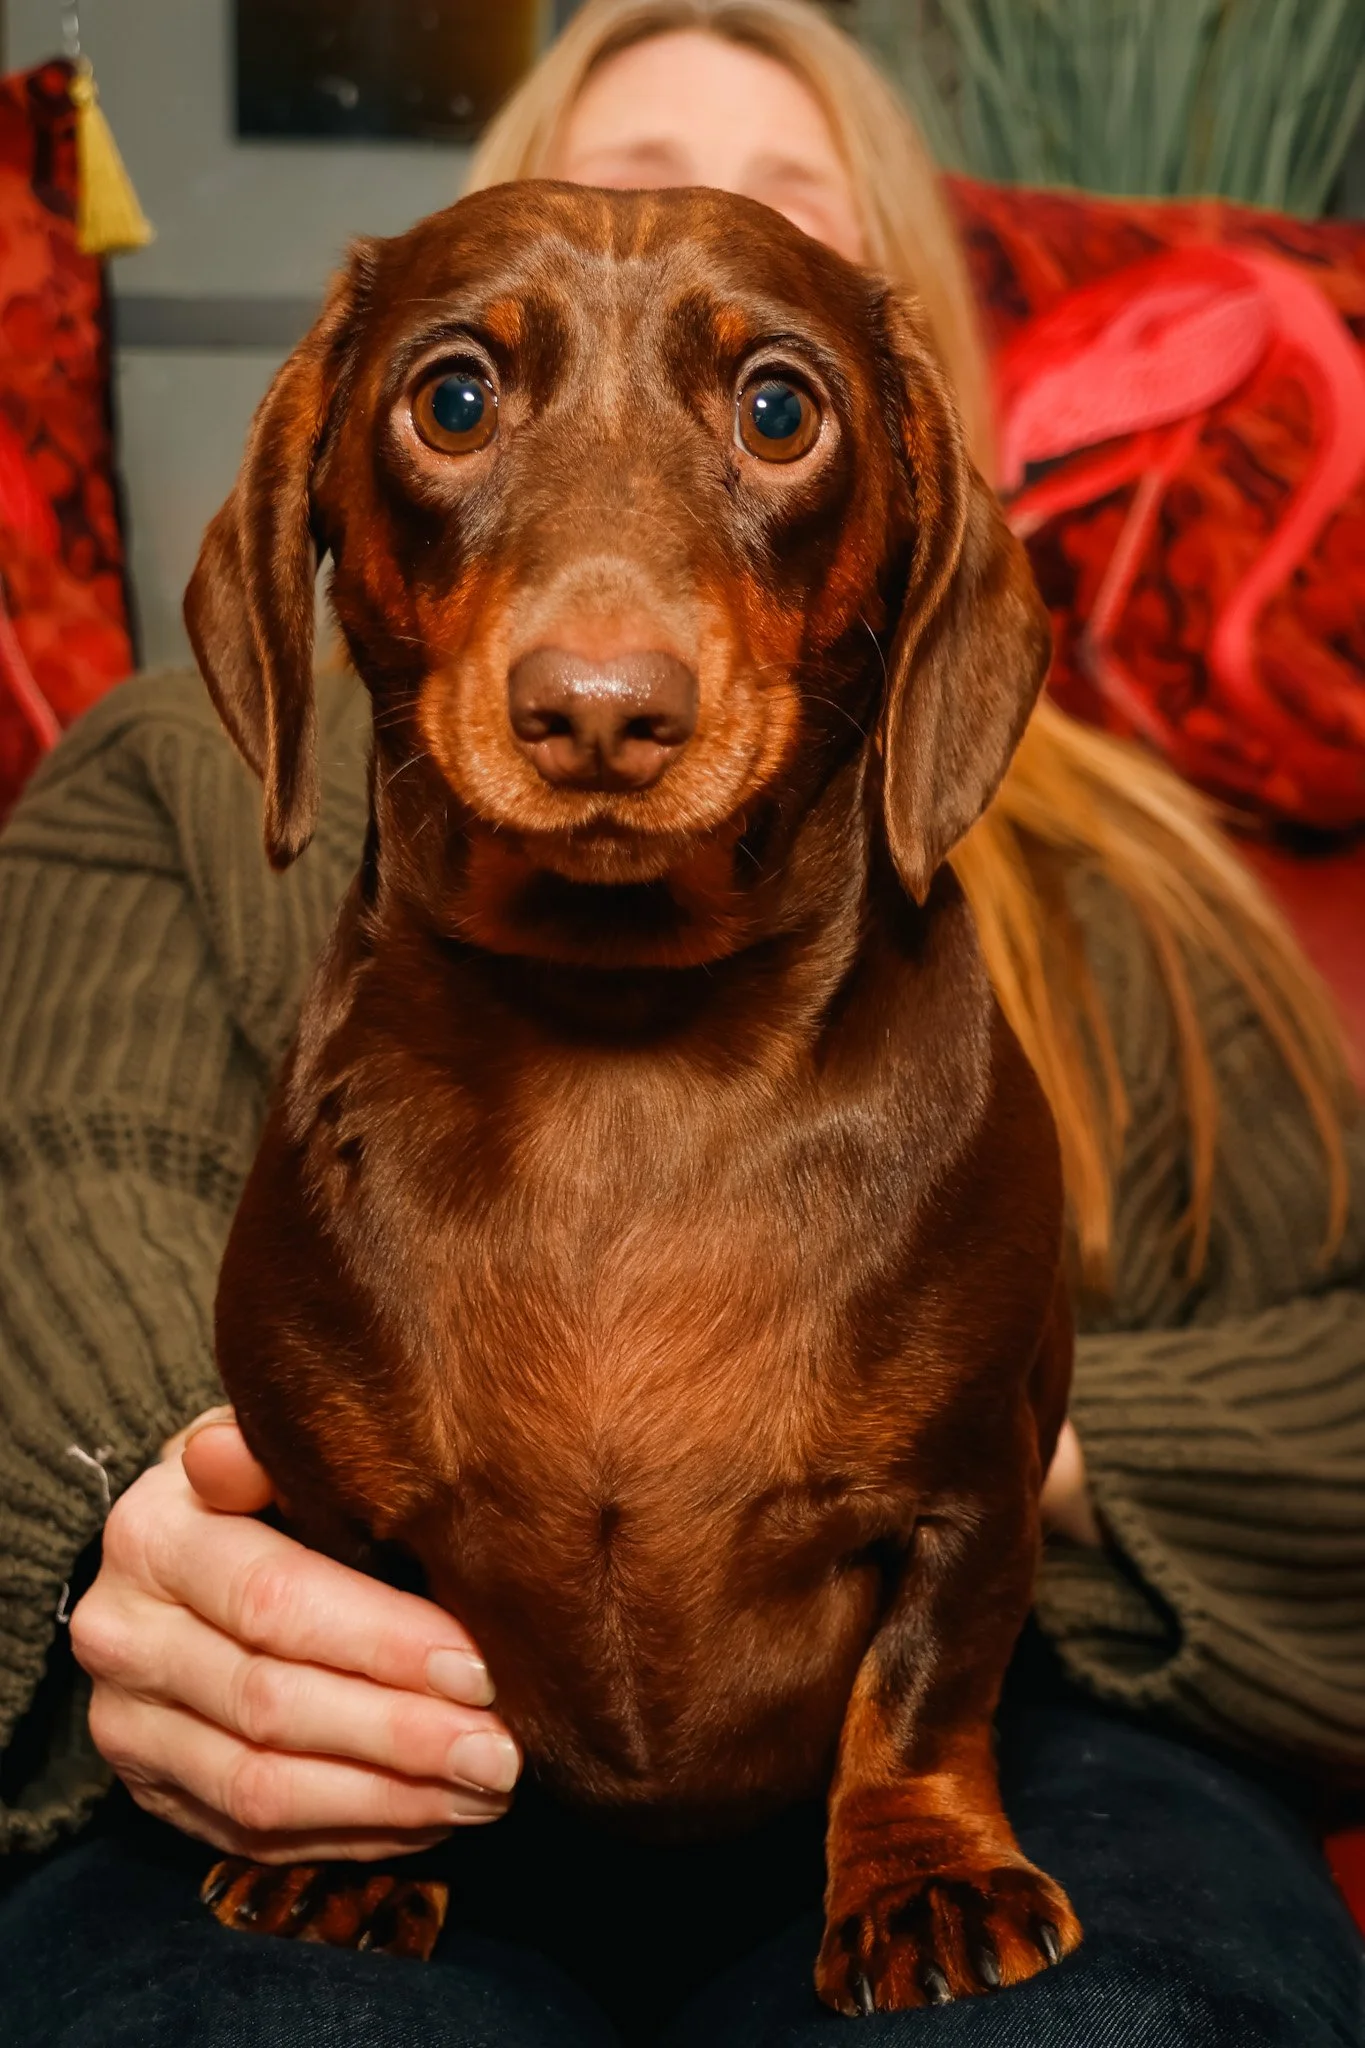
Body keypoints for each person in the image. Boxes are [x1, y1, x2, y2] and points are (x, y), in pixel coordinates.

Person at [0, 1, 1361, 2042]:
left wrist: (987, 1463)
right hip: (360, 1750)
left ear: (904, 479)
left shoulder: (1148, 886)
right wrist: (151, 1531)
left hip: (988, 1731)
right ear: (349, 463)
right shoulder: (169, 775)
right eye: (473, 390)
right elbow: (59, 1196)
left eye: (766, 398)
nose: (600, 668)